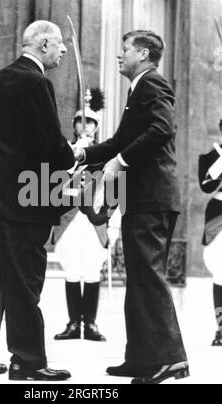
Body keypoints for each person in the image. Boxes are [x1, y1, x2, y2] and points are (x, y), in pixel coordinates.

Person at [75, 30, 188, 384]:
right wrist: (83, 154)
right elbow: (118, 142)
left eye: (124, 50)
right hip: (144, 199)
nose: (119, 56)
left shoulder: (153, 85)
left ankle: (170, 358)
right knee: (139, 279)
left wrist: (119, 161)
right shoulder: (138, 88)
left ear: (143, 53)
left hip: (151, 198)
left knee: (148, 278)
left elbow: (161, 130)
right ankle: (141, 358)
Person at [0, 21, 75, 381]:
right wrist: (72, 155)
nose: (62, 51)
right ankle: (27, 362)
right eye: (59, 45)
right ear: (43, 43)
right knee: (25, 281)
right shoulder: (37, 82)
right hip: (25, 203)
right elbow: (47, 144)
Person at [54, 91, 107, 342]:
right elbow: (54, 184)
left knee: (93, 268)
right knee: (72, 269)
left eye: (90, 122)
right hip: (69, 217)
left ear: (96, 127)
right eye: (80, 122)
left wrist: (113, 225)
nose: (85, 126)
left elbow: (116, 186)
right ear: (74, 125)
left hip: (95, 219)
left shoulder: (106, 152)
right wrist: (74, 158)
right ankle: (74, 323)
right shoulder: (64, 151)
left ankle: (92, 323)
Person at [198, 123, 222, 346]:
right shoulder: (210, 157)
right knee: (220, 272)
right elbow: (206, 187)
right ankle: (221, 328)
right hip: (219, 216)